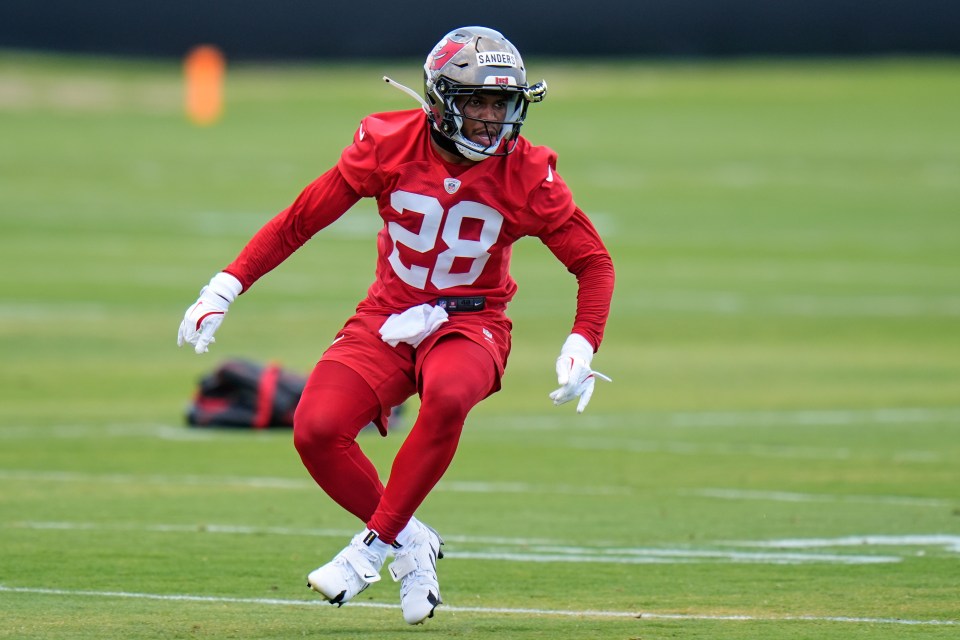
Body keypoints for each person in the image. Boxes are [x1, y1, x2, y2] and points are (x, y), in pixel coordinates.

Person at [177, 26, 615, 625]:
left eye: (501, 103)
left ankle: (371, 551)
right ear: (438, 102)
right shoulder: (388, 142)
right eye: (476, 102)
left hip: (472, 322)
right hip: (388, 314)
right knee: (315, 428)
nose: (491, 119)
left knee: (450, 395)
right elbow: (301, 218)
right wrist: (225, 286)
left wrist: (581, 341)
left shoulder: (526, 172)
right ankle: (411, 540)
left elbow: (593, 263)